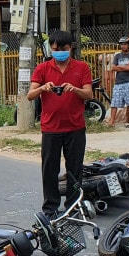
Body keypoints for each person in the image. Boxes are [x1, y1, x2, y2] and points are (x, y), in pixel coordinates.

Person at [27, 30, 93, 218]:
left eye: (61, 49)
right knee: (49, 169)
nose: (57, 52)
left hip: (75, 128)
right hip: (51, 129)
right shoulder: (43, 68)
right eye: (54, 49)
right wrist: (42, 87)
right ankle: (50, 208)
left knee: (75, 170)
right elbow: (30, 95)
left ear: (69, 48)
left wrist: (75, 89)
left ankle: (72, 207)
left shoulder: (82, 68)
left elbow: (89, 94)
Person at [109, 37, 129, 128]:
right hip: (118, 82)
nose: (123, 46)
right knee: (114, 103)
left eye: (125, 44)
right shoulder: (117, 56)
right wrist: (125, 67)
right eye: (122, 44)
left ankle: (127, 121)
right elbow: (113, 68)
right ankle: (112, 122)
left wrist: (120, 67)